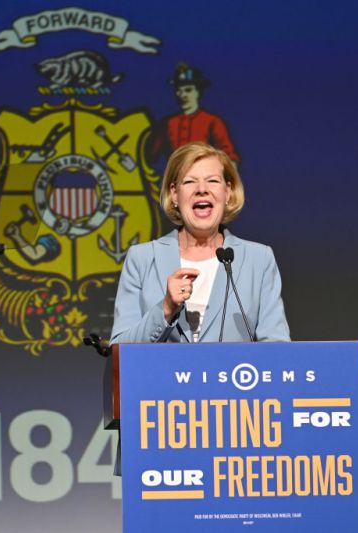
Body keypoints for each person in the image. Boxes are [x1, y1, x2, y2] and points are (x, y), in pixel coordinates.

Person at [110, 142, 288, 343]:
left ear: (227, 192)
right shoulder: (142, 258)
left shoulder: (259, 259)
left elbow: (277, 347)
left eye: (212, 181)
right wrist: (166, 308)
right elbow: (120, 350)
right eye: (189, 182)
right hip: (162, 375)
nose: (202, 189)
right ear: (174, 194)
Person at [148, 63, 241, 166]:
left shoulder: (213, 122)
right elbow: (150, 157)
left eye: (188, 90)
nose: (182, 95)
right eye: (179, 90)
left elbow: (229, 158)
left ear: (198, 92)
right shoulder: (166, 123)